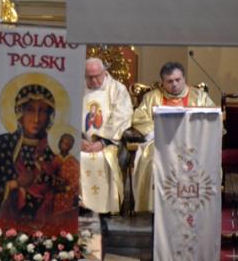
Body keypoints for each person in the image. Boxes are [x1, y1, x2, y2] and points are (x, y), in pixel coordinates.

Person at [131, 61, 214, 212]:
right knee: (153, 162)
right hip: (160, 141)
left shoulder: (200, 97)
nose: (174, 84)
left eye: (178, 80)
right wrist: (157, 132)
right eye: (169, 81)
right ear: (162, 82)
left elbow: (212, 119)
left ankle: (196, 206)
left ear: (184, 78)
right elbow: (139, 118)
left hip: (192, 142)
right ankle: (156, 208)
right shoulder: (151, 97)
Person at [0, 84, 61, 228]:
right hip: (9, 227)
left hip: (44, 225)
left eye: (42, 111)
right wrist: (16, 183)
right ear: (20, 113)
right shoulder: (1, 144)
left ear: (50, 116)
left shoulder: (53, 151)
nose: (36, 119)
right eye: (30, 110)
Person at [80, 57, 133, 214]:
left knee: (105, 158)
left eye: (97, 76)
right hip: (81, 142)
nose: (94, 80)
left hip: (109, 143)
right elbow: (68, 114)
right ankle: (80, 205)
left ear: (105, 72)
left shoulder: (117, 89)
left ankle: (106, 207)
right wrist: (77, 139)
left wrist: (102, 142)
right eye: (89, 77)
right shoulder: (77, 88)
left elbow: (121, 117)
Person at [53, 133, 80, 223]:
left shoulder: (74, 162)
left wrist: (65, 188)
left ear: (71, 146)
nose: (63, 145)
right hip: (53, 193)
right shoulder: (53, 159)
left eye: (67, 143)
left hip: (67, 195)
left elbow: (76, 180)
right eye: (62, 142)